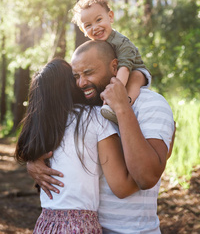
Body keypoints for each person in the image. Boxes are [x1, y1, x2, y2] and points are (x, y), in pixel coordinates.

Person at [27, 41, 175, 234]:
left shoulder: (152, 105)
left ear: (114, 67)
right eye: (76, 76)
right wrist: (33, 161)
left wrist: (122, 107)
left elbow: (147, 178)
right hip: (87, 228)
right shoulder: (89, 111)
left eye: (88, 73)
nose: (81, 83)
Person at [15, 58, 139, 233]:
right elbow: (122, 187)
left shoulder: (43, 129)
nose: (80, 82)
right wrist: (157, 162)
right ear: (69, 86)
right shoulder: (95, 118)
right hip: (80, 226)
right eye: (74, 77)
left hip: (45, 225)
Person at [71, 0, 151, 124]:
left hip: (134, 69)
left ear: (110, 17)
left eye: (98, 20)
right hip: (115, 72)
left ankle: (125, 104)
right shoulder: (93, 48)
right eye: (88, 25)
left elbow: (124, 68)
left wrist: (115, 91)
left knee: (135, 78)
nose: (95, 27)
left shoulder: (121, 42)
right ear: (82, 29)